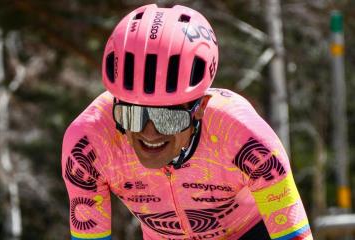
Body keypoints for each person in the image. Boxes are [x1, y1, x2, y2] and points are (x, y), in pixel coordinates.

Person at [61, 4, 312, 240]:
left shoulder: (243, 136)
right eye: (133, 117)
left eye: (168, 118)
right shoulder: (89, 144)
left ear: (200, 108)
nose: (149, 132)